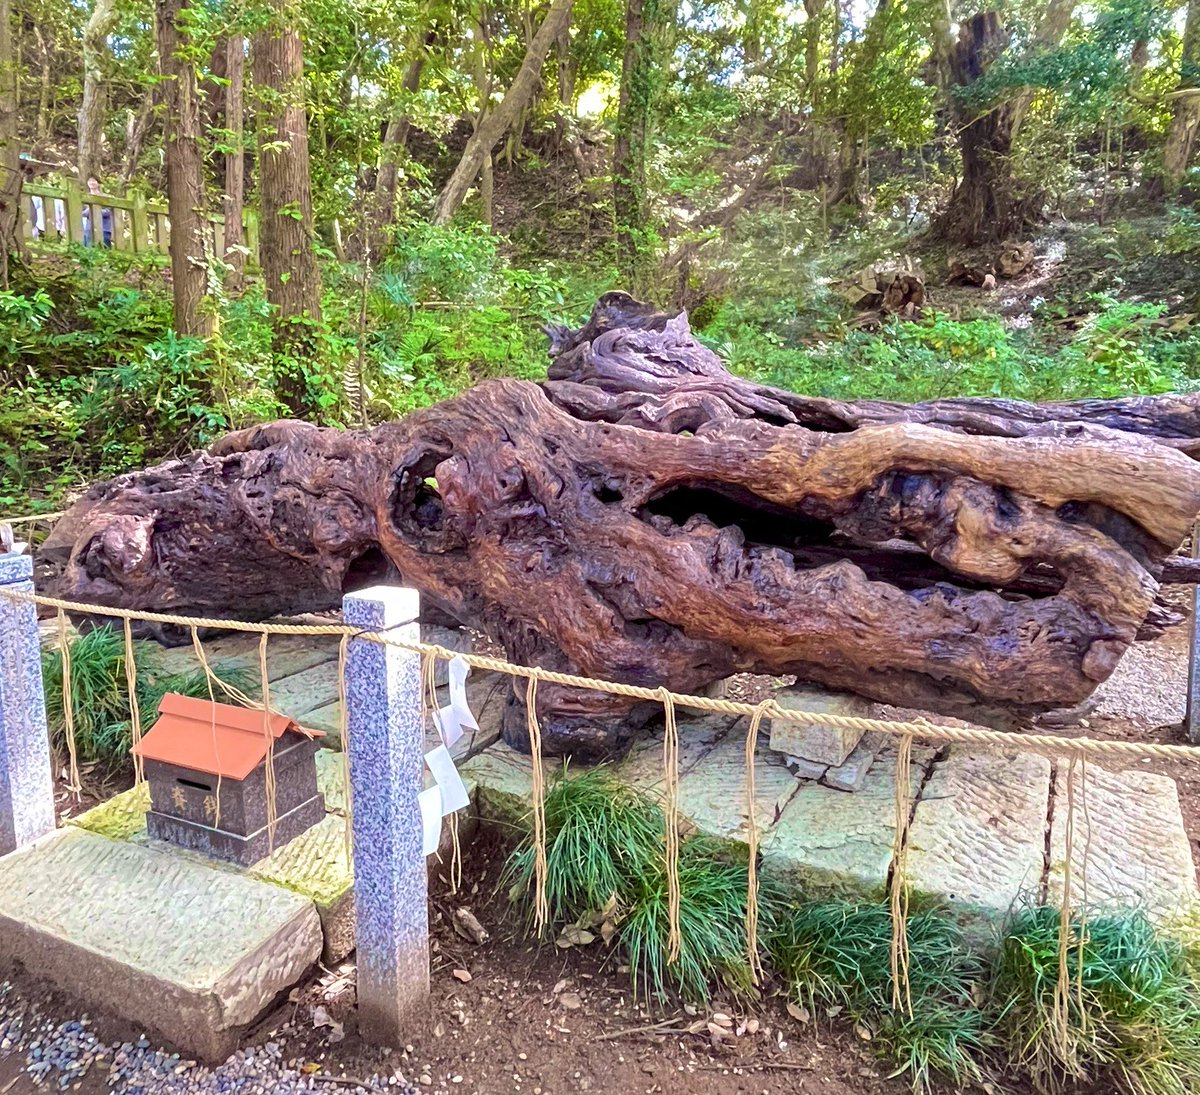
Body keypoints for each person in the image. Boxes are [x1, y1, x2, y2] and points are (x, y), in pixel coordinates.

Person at [81, 177, 113, 247]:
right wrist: (88, 211)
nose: (92, 183)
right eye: (90, 181)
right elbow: (82, 213)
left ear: (98, 183)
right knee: (89, 247)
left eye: (94, 181)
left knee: (104, 247)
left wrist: (96, 211)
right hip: (89, 227)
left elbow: (108, 211)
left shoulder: (105, 197)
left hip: (104, 227)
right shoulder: (85, 197)